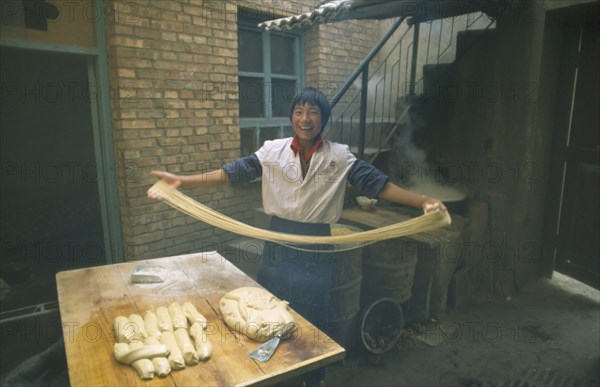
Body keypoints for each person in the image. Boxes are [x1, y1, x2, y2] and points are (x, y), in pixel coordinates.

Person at [148, 87, 446, 386]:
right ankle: (276, 373)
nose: (305, 119)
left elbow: (377, 185)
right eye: (299, 111)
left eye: (313, 112)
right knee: (268, 311)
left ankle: (314, 376)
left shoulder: (339, 157)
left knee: (314, 316)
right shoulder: (272, 151)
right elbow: (232, 173)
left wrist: (421, 202)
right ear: (292, 117)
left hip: (317, 243)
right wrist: (183, 181)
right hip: (278, 238)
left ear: (324, 119)